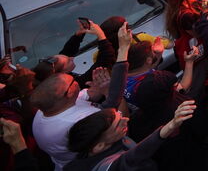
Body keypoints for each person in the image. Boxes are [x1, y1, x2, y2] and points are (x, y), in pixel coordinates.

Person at [31, 25, 131, 170]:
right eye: (71, 81)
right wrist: (123, 49)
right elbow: (119, 114)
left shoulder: (45, 110)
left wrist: (97, 89)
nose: (75, 80)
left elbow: (86, 95)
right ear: (68, 94)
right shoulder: (80, 120)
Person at [65, 100, 196, 171]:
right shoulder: (109, 167)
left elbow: (113, 98)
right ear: (99, 146)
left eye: (120, 116)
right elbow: (132, 157)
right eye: (118, 124)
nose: (126, 120)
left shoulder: (103, 141)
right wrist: (171, 125)